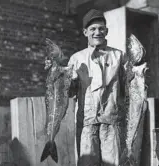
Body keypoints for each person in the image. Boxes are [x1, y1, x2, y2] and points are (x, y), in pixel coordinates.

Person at [67, 9, 129, 166]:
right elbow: (69, 92)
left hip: (113, 123)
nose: (97, 32)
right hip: (87, 125)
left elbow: (129, 89)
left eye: (101, 28)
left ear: (106, 31)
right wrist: (62, 79)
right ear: (85, 32)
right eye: (93, 29)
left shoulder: (119, 56)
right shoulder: (76, 59)